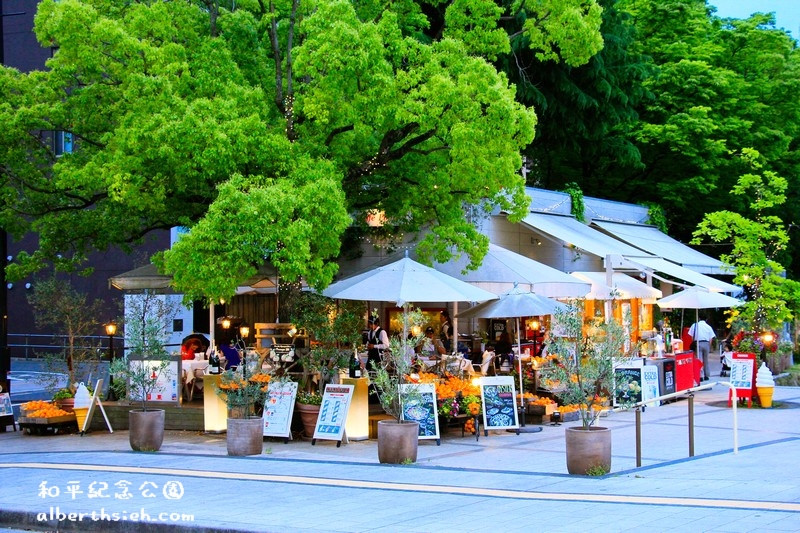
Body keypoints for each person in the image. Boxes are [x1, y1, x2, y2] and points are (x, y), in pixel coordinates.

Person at [688, 315, 716, 381]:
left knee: (699, 360)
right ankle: (707, 375)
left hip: (698, 343)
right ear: (706, 319)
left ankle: (700, 376)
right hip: (706, 343)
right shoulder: (708, 327)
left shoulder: (694, 325)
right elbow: (711, 338)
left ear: (699, 318)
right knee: (706, 360)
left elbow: (691, 336)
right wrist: (709, 345)